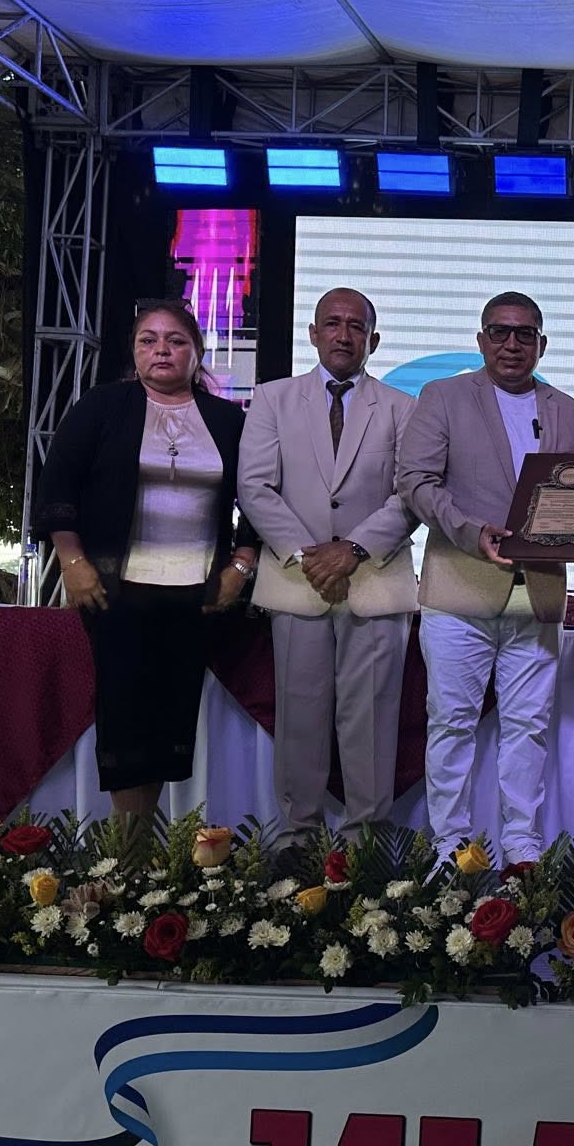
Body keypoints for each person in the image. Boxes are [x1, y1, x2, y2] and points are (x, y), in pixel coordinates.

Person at [34, 300, 257, 820]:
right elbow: (58, 486)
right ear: (133, 351)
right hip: (116, 590)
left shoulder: (229, 420)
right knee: (125, 723)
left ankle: (143, 849)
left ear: (197, 352)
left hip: (198, 597)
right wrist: (72, 562)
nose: (162, 350)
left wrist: (241, 565)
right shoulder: (102, 406)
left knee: (168, 723)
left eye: (176, 341)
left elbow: (260, 499)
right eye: (148, 340)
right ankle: (127, 848)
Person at [396, 291, 574, 861]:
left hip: (538, 590)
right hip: (459, 585)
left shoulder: (570, 411)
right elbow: (415, 480)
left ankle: (521, 848)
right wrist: (469, 530)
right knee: (451, 723)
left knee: (528, 727)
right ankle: (450, 848)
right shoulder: (443, 396)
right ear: (481, 340)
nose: (511, 344)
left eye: (524, 334)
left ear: (542, 344)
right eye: (500, 332)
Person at [238, 287, 419, 841]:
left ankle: (366, 845)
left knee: (372, 721)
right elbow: (255, 487)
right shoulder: (272, 398)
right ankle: (297, 838)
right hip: (298, 580)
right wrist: (306, 555)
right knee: (300, 717)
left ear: (373, 340)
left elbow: (411, 495)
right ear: (313, 334)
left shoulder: (402, 407)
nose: (344, 335)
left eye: (356, 326)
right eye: (333, 324)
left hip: (375, 581)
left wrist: (353, 549)